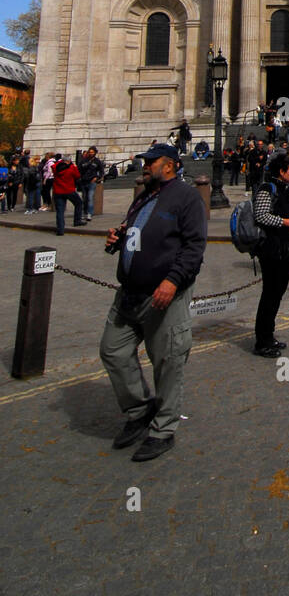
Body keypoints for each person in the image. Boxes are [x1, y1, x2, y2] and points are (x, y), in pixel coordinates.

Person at [99, 144, 206, 461]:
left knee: (168, 360)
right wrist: (118, 240)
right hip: (130, 292)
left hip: (164, 294)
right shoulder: (144, 195)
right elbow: (141, 232)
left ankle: (163, 429)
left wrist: (172, 281)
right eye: (143, 161)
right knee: (112, 350)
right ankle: (138, 409)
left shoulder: (187, 198)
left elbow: (194, 246)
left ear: (170, 165)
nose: (143, 165)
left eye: (150, 162)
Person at [251, 146, 289, 356]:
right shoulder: (268, 189)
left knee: (277, 293)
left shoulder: (288, 187)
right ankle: (262, 341)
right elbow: (261, 215)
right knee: (270, 294)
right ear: (281, 171)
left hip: (286, 248)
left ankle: (269, 335)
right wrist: (285, 221)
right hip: (271, 249)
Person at [52, 155, 84, 234]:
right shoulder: (72, 168)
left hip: (58, 191)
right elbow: (77, 176)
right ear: (69, 161)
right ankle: (77, 220)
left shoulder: (55, 167)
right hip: (69, 190)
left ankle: (60, 229)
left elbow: (54, 166)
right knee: (78, 203)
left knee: (60, 211)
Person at [78, 146, 104, 221]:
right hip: (84, 181)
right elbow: (79, 170)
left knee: (90, 197)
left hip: (92, 182)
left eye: (92, 152)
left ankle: (89, 213)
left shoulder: (97, 161)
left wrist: (97, 177)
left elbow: (101, 171)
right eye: (90, 152)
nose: (91, 154)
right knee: (84, 198)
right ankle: (84, 212)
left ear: (95, 153)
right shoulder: (83, 161)